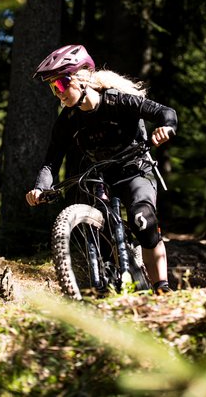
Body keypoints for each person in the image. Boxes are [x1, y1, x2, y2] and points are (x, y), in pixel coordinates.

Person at [25, 44, 178, 295]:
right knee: (100, 230)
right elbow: (51, 161)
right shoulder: (68, 120)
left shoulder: (117, 100)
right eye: (53, 88)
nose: (58, 93)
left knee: (142, 220)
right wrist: (40, 188)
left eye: (61, 85)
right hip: (101, 176)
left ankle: (162, 288)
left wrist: (166, 128)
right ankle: (112, 282)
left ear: (82, 78)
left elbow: (165, 112)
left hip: (135, 170)